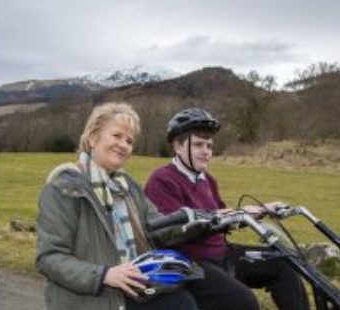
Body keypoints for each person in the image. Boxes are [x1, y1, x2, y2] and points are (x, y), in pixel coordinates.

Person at [35, 102, 202, 310]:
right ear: (93, 138)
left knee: (185, 298)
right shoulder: (64, 188)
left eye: (129, 140)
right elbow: (49, 258)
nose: (124, 145)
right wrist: (105, 274)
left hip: (134, 289)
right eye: (117, 136)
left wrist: (200, 221)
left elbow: (158, 226)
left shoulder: (127, 186)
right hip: (94, 297)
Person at [145, 108, 310, 310]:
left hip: (223, 253)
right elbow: (166, 233)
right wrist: (213, 218)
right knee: (243, 301)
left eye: (209, 145)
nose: (206, 151)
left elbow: (225, 217)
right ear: (178, 146)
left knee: (284, 264)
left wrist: (260, 210)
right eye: (198, 145)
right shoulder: (162, 180)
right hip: (192, 262)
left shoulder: (208, 180)